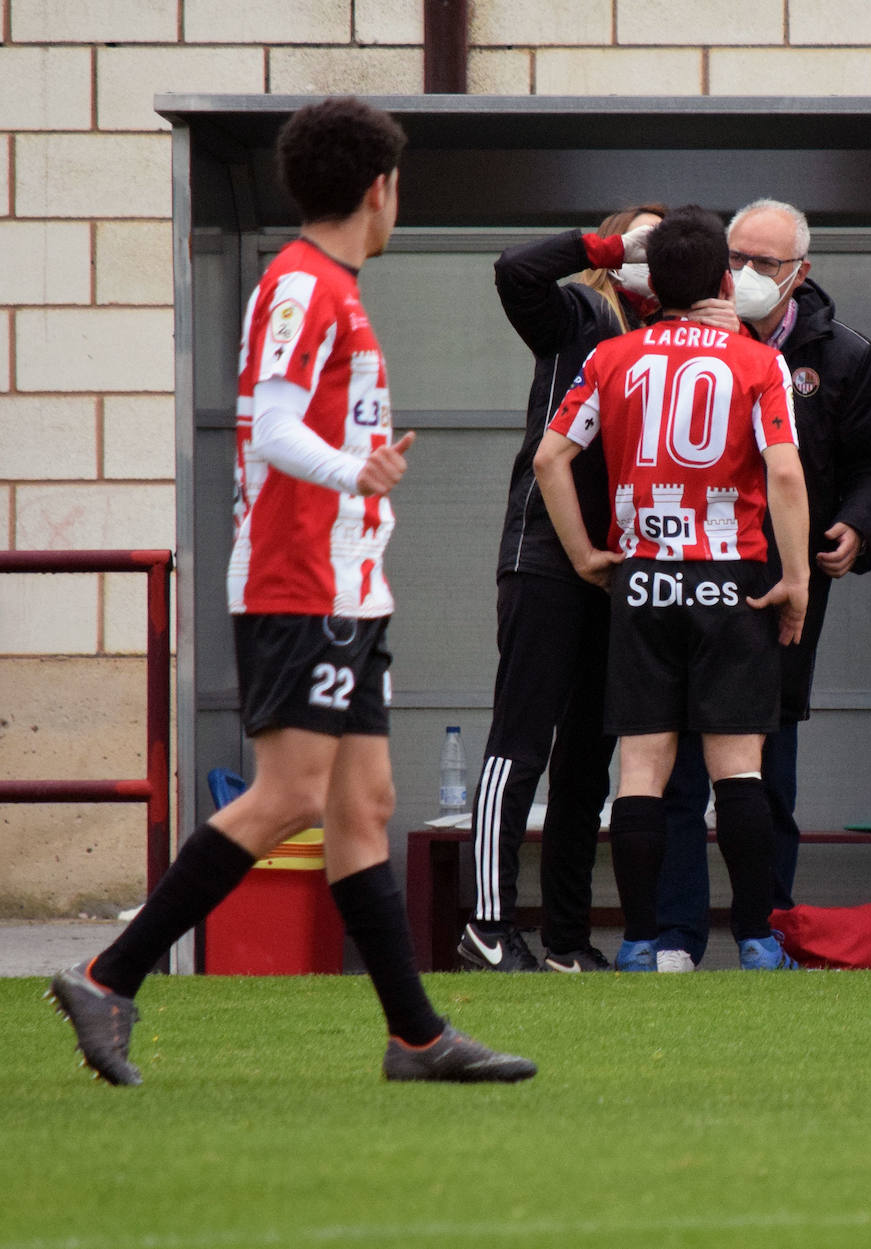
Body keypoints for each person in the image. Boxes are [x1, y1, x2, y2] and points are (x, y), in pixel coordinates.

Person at [46, 97, 536, 1085]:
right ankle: (109, 974)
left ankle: (416, 1037)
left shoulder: (330, 288)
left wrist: (359, 484)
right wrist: (357, 474)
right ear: (378, 188)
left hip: (345, 586)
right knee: (292, 796)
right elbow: (269, 427)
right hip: (296, 581)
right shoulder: (303, 285)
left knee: (365, 808)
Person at [533, 204, 812, 972]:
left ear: (650, 285)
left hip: (643, 578)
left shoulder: (612, 356)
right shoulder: (757, 361)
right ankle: (756, 940)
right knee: (739, 766)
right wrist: (795, 580)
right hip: (731, 578)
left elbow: (550, 459)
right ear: (726, 280)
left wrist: (588, 553)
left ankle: (642, 942)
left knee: (643, 769)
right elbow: (785, 471)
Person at [654, 198, 871, 972]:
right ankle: (675, 939)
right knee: (677, 770)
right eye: (736, 259)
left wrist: (858, 525)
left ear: (800, 272)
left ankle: (767, 934)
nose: (745, 276)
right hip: (687, 576)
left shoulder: (844, 357)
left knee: (768, 770)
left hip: (783, 593)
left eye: (764, 264)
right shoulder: (669, 344)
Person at [459, 204, 666, 975]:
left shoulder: (672, 335)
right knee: (521, 740)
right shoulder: (576, 309)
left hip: (619, 564)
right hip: (545, 554)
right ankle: (485, 923)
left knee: (588, 756)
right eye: (640, 240)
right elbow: (513, 266)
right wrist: (606, 245)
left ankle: (567, 940)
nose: (650, 255)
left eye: (660, 241)